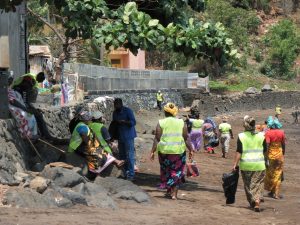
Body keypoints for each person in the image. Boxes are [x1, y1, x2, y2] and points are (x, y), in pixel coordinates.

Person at [150, 103, 194, 200]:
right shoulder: (181, 122)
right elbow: (186, 138)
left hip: (164, 152)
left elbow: (157, 138)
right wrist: (191, 149)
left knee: (167, 170)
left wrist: (152, 151)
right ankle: (174, 194)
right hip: (178, 152)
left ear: (165, 112)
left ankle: (169, 190)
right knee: (176, 172)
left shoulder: (161, 122)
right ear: (175, 112)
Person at [68, 111, 124, 179]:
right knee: (97, 154)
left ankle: (112, 164)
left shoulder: (84, 125)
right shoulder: (83, 127)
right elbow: (86, 140)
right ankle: (96, 172)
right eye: (89, 119)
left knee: (100, 151)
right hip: (76, 147)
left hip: (78, 146)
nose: (90, 120)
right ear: (86, 119)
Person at [233, 115, 267, 212]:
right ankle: (257, 202)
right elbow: (265, 150)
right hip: (260, 164)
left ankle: (253, 200)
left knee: (248, 185)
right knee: (259, 184)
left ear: (245, 125)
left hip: (246, 165)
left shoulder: (241, 136)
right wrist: (266, 161)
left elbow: (239, 151)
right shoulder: (261, 135)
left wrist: (235, 163)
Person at [112, 98, 137, 181]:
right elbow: (114, 124)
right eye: (115, 105)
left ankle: (131, 174)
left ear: (121, 104)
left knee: (130, 155)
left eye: (117, 104)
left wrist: (125, 122)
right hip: (120, 137)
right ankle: (126, 172)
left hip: (129, 136)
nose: (116, 106)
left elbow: (133, 122)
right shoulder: (115, 113)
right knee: (122, 155)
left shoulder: (128, 111)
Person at [264, 116, 285, 199]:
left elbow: (267, 145)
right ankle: (275, 193)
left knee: (271, 174)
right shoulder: (282, 133)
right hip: (280, 156)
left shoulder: (268, 133)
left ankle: (272, 191)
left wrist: (265, 156)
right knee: (278, 174)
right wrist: (283, 153)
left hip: (271, 156)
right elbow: (283, 144)